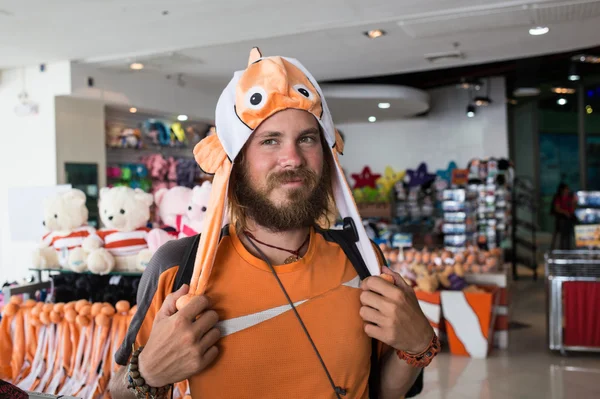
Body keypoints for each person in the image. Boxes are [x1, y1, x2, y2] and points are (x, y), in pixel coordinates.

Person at [109, 48, 437, 399]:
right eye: (270, 141)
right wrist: (147, 373)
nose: (292, 159)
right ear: (235, 163)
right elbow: (115, 392)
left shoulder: (362, 259)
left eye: (307, 139)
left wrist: (418, 345)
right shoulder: (178, 270)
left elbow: (382, 392)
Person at [551, 183, 575, 250]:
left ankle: (567, 248)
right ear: (562, 190)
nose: (568, 190)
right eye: (566, 189)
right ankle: (562, 248)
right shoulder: (558, 197)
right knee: (563, 232)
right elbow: (557, 208)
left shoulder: (570, 197)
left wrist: (573, 203)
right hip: (561, 219)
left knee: (568, 234)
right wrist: (565, 212)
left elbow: (572, 208)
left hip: (569, 219)